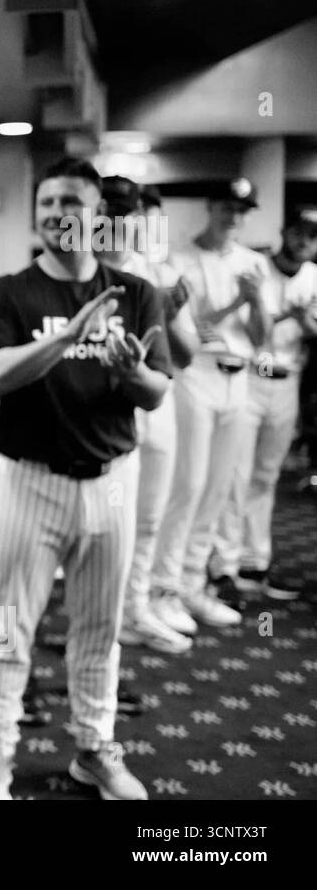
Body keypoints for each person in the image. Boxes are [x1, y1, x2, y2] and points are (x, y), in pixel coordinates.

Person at [0, 157, 173, 801]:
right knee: (8, 629)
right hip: (29, 479)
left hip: (111, 480)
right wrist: (66, 339)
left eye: (71, 202)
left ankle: (93, 749)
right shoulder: (8, 292)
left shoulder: (135, 293)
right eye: (47, 203)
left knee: (99, 630)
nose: (57, 214)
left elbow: (157, 391)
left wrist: (130, 372)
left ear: (97, 213)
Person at [150, 179, 271, 636]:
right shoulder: (179, 260)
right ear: (211, 207)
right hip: (196, 375)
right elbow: (192, 329)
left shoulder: (253, 262)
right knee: (189, 484)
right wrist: (238, 299)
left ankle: (193, 583)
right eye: (226, 206)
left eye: (241, 209)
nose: (233, 216)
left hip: (238, 379)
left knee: (220, 488)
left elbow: (261, 335)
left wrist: (255, 300)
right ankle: (164, 586)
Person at [97, 177, 197, 656]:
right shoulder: (82, 274)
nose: (118, 223)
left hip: (157, 410)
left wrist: (170, 311)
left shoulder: (156, 272)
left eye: (127, 215)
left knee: (150, 520)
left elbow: (188, 354)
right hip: (105, 418)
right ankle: (105, 615)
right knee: (107, 526)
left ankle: (136, 608)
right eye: (109, 213)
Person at [212, 205, 317, 601]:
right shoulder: (255, 265)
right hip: (252, 377)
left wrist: (303, 322)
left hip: (287, 382)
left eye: (313, 235)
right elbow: (249, 328)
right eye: (299, 232)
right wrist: (287, 314)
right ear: (285, 231)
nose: (304, 241)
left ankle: (255, 562)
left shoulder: (314, 276)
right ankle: (224, 565)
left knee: (266, 477)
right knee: (235, 474)